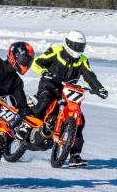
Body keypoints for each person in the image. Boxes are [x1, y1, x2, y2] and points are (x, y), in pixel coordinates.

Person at [24, 30, 108, 167]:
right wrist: (44, 71)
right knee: (45, 102)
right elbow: (37, 62)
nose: (79, 49)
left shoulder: (82, 60)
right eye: (76, 46)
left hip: (68, 90)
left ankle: (74, 155)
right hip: (50, 84)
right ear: (68, 43)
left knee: (79, 120)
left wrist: (99, 88)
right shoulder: (56, 50)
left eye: (81, 46)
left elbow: (89, 76)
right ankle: (26, 126)